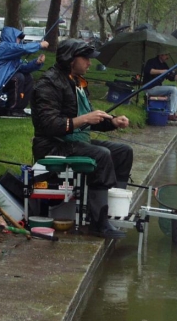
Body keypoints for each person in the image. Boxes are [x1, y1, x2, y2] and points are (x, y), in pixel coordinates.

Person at [31, 39, 133, 239]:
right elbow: (49, 125)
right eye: (85, 58)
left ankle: (113, 210)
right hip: (52, 146)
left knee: (123, 152)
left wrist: (112, 122)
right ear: (70, 59)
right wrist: (84, 119)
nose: (89, 63)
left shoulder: (77, 82)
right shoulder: (48, 84)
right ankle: (98, 223)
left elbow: (89, 120)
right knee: (101, 155)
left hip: (75, 142)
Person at [0, 26, 49, 116]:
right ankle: (12, 108)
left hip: (4, 78)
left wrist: (36, 63)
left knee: (28, 77)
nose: (19, 40)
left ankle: (19, 108)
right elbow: (23, 48)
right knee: (18, 77)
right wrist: (39, 45)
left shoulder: (14, 56)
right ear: (11, 37)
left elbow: (24, 68)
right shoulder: (5, 47)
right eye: (18, 38)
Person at [142, 53, 177, 121]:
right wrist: (162, 71)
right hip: (149, 88)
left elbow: (172, 77)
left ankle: (173, 112)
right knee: (173, 90)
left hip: (157, 87)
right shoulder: (151, 61)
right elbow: (149, 71)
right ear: (161, 55)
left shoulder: (164, 65)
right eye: (166, 55)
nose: (167, 57)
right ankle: (170, 113)